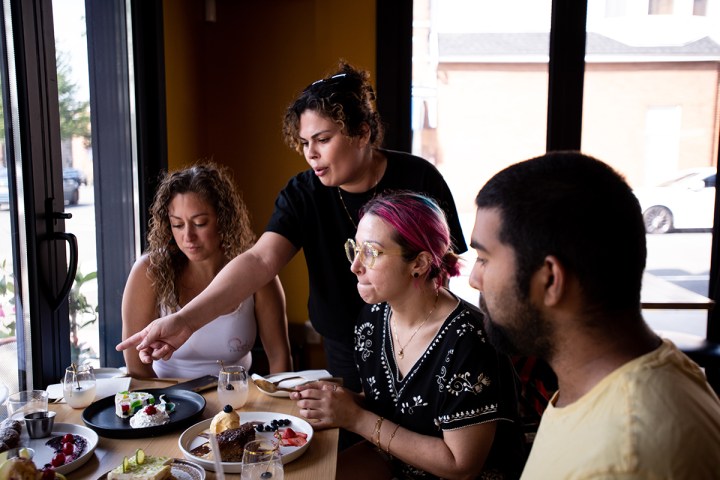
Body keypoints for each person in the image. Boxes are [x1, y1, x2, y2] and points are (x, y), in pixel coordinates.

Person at [116, 61, 466, 393]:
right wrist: (185, 321)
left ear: (362, 133)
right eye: (304, 143)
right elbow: (259, 262)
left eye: (323, 139)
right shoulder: (302, 193)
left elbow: (442, 269)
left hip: (417, 341)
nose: (310, 154)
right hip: (344, 346)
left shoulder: (420, 179)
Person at [469, 151, 720, 478]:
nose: (474, 278)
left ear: (550, 279)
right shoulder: (610, 387)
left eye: (484, 258)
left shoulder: (623, 456)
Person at [292, 192, 526, 479]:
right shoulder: (374, 317)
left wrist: (355, 418)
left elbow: (461, 466)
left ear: (419, 263)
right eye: (355, 248)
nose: (355, 266)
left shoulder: (469, 341)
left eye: (372, 253)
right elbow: (385, 403)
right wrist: (337, 402)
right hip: (395, 459)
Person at [121, 162, 292, 378]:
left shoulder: (256, 273)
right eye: (178, 224)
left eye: (200, 223)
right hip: (170, 401)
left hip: (236, 399)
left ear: (223, 219)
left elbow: (279, 358)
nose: (188, 237)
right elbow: (137, 367)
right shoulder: (148, 270)